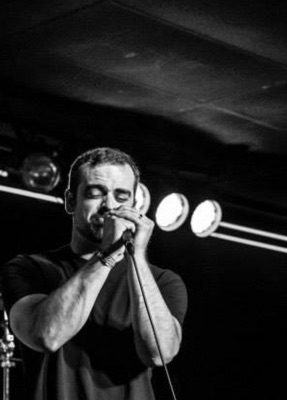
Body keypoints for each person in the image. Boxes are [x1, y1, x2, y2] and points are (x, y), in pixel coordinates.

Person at [1, 147, 188, 400]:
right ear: (70, 201)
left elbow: (159, 354)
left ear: (134, 205)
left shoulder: (162, 281)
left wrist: (137, 256)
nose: (109, 206)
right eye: (95, 193)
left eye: (121, 196)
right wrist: (106, 257)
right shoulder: (28, 269)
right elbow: (46, 336)